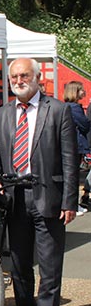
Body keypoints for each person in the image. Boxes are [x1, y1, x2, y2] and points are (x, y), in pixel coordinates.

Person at [0, 58, 78, 306]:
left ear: (39, 78)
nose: (19, 80)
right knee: (20, 263)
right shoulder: (1, 114)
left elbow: (69, 159)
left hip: (48, 196)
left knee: (50, 263)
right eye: (14, 76)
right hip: (15, 198)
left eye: (25, 75)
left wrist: (69, 201)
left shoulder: (58, 111)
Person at [63, 81, 91, 210]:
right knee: (72, 175)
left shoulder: (67, 106)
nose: (83, 92)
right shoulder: (74, 108)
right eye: (81, 90)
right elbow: (85, 125)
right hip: (76, 146)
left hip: (72, 146)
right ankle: (73, 205)